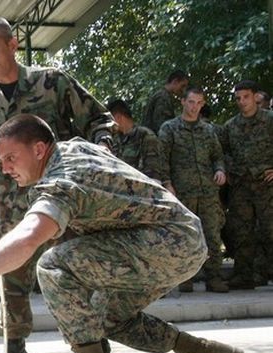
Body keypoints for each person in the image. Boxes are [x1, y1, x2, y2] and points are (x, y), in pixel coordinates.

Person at [0, 113, 244, 353]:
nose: (4, 169)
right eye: (1, 161)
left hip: (167, 243)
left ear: (38, 149)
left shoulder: (62, 181)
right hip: (182, 240)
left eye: (11, 158)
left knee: (53, 265)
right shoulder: (74, 148)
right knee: (108, 317)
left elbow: (29, 237)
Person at [0, 16, 116, 353]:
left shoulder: (52, 83)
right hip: (10, 206)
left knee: (76, 275)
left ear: (13, 45)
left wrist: (97, 159)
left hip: (61, 202)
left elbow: (100, 121)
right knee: (10, 280)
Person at [159, 87, 228, 293]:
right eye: (191, 102)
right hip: (182, 193)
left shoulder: (208, 130)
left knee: (212, 235)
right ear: (182, 102)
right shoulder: (169, 129)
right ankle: (185, 279)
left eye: (199, 103)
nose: (195, 107)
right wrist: (167, 183)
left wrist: (220, 170)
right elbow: (162, 159)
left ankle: (214, 277)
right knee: (183, 236)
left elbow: (217, 155)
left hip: (207, 192)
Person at [220, 80, 273, 289]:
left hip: (267, 186)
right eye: (238, 98)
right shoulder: (230, 126)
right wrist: (226, 170)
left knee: (270, 230)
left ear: (254, 97)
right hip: (241, 187)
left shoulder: (269, 120)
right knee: (242, 232)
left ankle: (266, 270)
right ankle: (244, 275)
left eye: (246, 97)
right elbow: (221, 153)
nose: (242, 102)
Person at [107, 99, 169, 189]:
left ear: (118, 117)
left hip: (141, 193)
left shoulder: (145, 136)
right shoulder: (115, 139)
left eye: (110, 119)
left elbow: (154, 174)